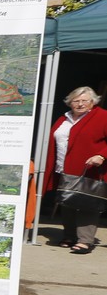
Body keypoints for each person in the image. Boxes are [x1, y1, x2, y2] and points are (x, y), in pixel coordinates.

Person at [45, 86, 107, 254]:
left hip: (90, 169)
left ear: (93, 102)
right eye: (76, 101)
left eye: (84, 100)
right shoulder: (63, 118)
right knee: (67, 202)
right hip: (64, 168)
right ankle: (70, 236)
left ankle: (85, 241)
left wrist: (101, 155)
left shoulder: (102, 116)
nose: (80, 104)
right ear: (69, 103)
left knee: (87, 204)